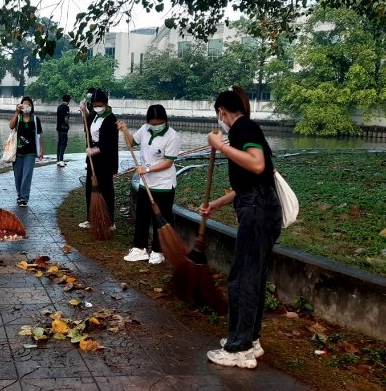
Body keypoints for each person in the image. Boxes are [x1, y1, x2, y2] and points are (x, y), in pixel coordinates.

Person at [200, 86, 282, 369]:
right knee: (253, 277)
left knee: (242, 278)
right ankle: (251, 339)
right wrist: (217, 203)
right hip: (261, 206)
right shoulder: (248, 130)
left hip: (258, 210)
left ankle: (239, 349)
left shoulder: (243, 128)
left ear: (222, 112)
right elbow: (251, 183)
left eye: (219, 115)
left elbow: (257, 166)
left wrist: (221, 146)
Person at [119, 105, 180, 264]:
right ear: (148, 122)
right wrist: (125, 130)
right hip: (145, 183)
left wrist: (147, 169)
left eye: (159, 122)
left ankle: (158, 251)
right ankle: (139, 249)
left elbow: (168, 162)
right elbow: (131, 142)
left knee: (161, 217)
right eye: (152, 122)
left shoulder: (172, 136)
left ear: (165, 120)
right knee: (142, 216)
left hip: (163, 184)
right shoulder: (145, 129)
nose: (155, 125)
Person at [78, 89, 118, 230]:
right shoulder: (95, 115)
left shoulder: (111, 119)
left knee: (106, 189)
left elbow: (109, 143)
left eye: (99, 104)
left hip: (105, 159)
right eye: (94, 104)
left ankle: (110, 221)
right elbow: (88, 122)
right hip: (93, 159)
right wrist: (84, 111)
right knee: (91, 188)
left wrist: (96, 150)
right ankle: (91, 218)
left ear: (106, 104)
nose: (97, 107)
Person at [8, 96, 43, 207]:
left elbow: (39, 135)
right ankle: (19, 194)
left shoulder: (35, 119)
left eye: (29, 105)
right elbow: (11, 126)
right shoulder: (18, 118)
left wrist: (41, 149)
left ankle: (24, 198)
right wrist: (16, 112)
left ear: (32, 106)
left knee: (27, 175)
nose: (27, 107)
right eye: (24, 105)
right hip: (17, 151)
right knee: (18, 175)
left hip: (30, 152)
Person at [56, 94, 71, 167]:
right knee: (64, 143)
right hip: (63, 128)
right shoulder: (66, 107)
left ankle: (58, 160)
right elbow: (66, 119)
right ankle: (61, 160)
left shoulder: (59, 107)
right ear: (69, 100)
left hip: (58, 127)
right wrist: (68, 125)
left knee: (59, 143)